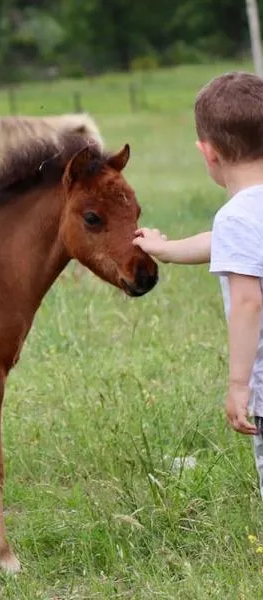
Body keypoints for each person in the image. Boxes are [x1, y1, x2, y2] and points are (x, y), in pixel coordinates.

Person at [133, 71, 263, 494]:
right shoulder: (242, 222)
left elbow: (248, 302)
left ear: (208, 154)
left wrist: (238, 385)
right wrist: (169, 250)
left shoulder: (237, 216)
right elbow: (230, 244)